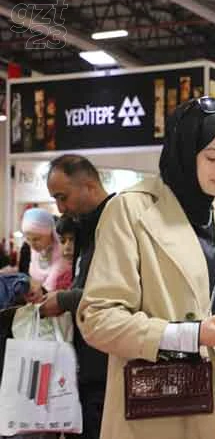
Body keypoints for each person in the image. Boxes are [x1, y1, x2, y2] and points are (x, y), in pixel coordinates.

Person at [77, 97, 215, 439]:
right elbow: (97, 318)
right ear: (184, 149)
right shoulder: (131, 210)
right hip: (161, 406)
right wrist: (190, 335)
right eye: (212, 157)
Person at [38, 154, 115, 439]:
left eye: (63, 196)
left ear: (89, 186)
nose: (60, 207)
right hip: (86, 369)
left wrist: (65, 300)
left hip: (109, 371)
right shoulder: (86, 226)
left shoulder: (118, 222)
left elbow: (119, 294)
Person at [20, 208, 65, 303]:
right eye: (28, 239)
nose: (32, 244)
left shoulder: (63, 253)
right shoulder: (31, 250)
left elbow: (52, 285)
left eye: (37, 239)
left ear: (50, 234)